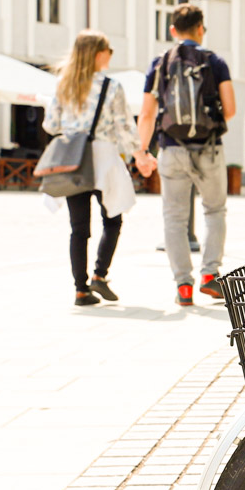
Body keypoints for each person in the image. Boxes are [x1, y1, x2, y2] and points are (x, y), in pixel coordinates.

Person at [43, 30, 154, 306]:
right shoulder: (111, 86)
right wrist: (140, 154)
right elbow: (125, 126)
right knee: (113, 218)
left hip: (72, 158)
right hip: (103, 158)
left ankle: (80, 290)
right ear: (97, 53)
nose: (110, 54)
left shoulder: (63, 83)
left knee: (78, 227)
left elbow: (50, 124)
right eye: (108, 49)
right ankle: (99, 275)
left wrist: (73, 125)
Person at [138, 3, 234, 308]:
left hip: (171, 149)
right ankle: (209, 275)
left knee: (174, 218)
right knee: (214, 210)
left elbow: (146, 114)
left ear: (172, 30)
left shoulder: (160, 64)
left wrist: (142, 150)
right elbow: (230, 109)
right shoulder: (215, 62)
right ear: (201, 29)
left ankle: (183, 285)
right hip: (208, 148)